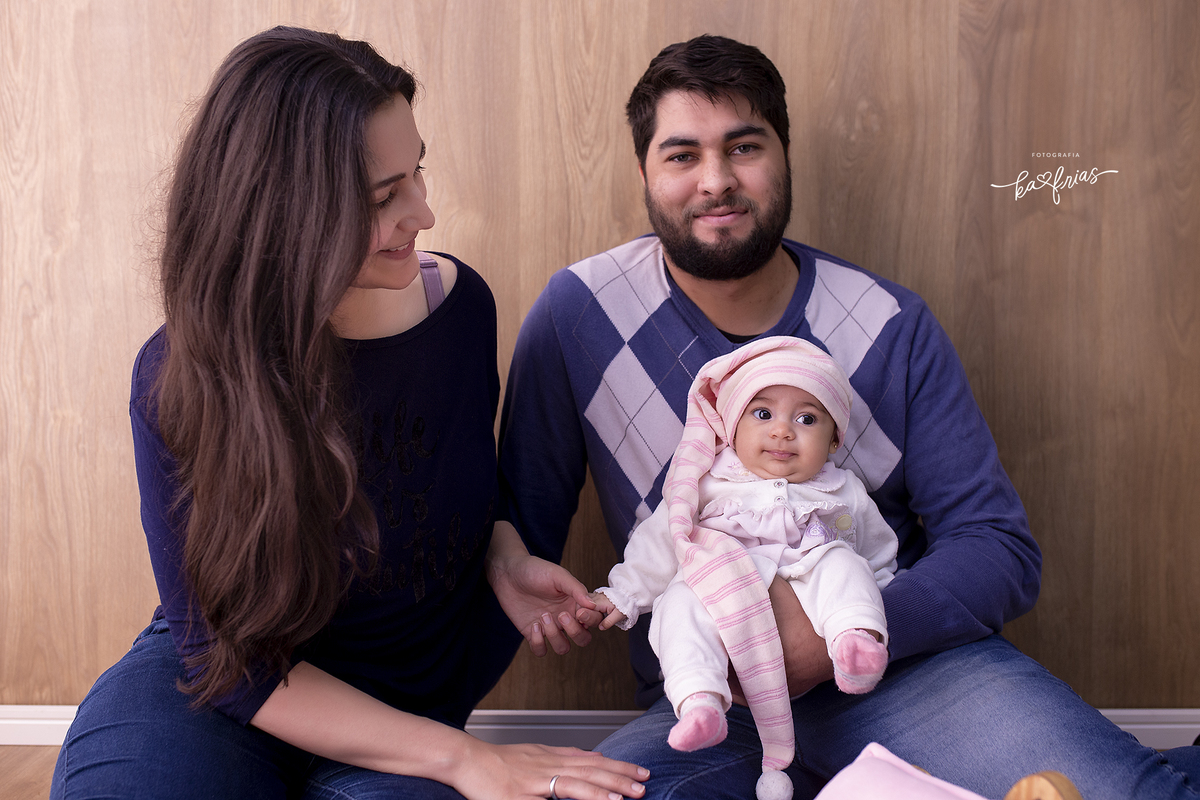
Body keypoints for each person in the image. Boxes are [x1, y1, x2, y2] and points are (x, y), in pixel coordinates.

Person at [496, 34, 1200, 800]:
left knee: (1127, 795)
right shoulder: (580, 314)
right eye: (681, 155)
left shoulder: (888, 322)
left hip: (902, 668)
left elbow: (998, 548)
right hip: (713, 697)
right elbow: (519, 527)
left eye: (744, 146)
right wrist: (523, 573)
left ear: (784, 154)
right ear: (644, 172)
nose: (716, 181)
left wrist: (833, 635)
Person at [50, 27, 647, 800]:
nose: (424, 214)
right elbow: (213, 651)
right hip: (221, 691)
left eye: (418, 172)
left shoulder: (461, 313)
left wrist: (500, 555)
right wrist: (470, 760)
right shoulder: (179, 374)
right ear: (282, 214)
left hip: (399, 714)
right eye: (382, 196)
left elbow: (437, 496)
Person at [590, 336, 896, 800]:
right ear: (732, 427)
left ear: (834, 440)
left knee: (842, 563)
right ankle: (700, 699)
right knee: (679, 604)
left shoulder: (844, 491)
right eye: (763, 413)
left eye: (807, 418)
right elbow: (660, 542)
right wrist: (623, 594)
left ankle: (855, 646)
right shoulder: (705, 483)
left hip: (807, 576)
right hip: (720, 585)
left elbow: (878, 557)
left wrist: (875, 602)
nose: (782, 431)